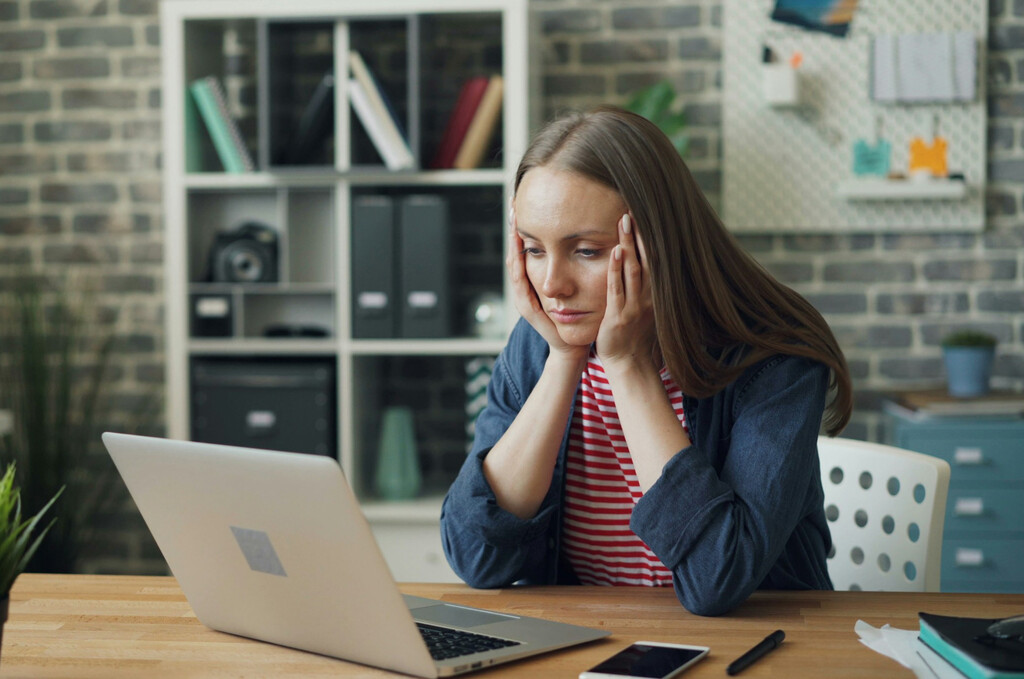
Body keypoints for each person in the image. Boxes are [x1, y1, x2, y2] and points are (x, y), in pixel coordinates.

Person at [440, 106, 852, 617]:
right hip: (592, 642)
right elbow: (475, 557)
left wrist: (629, 366)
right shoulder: (542, 343)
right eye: (533, 249)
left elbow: (716, 579)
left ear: (660, 242)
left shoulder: (773, 358)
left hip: (755, 650)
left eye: (586, 251)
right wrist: (564, 359)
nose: (552, 286)